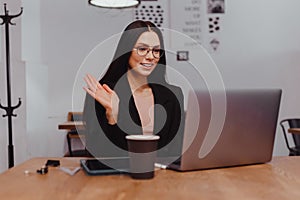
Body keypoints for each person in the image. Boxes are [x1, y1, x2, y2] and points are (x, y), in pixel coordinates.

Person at [83, 20, 184, 158]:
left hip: (163, 176)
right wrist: (113, 116)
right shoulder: (103, 93)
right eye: (142, 49)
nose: (150, 57)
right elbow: (97, 153)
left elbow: (176, 149)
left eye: (156, 50)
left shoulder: (173, 95)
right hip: (117, 177)